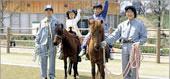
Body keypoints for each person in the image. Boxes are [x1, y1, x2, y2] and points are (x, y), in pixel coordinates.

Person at [101, 4, 147, 79]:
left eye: (131, 12)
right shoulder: (122, 25)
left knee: (134, 70)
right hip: (124, 47)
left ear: (134, 13)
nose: (129, 13)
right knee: (125, 69)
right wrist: (105, 41)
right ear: (126, 13)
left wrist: (139, 43)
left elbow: (144, 37)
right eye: (128, 12)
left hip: (134, 47)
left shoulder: (140, 25)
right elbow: (114, 36)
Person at [34, 5, 60, 79]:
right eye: (47, 10)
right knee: (43, 60)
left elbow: (59, 33)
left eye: (50, 10)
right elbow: (39, 33)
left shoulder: (56, 21)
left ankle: (52, 75)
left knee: (52, 60)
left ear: (52, 11)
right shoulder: (42, 22)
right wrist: (36, 42)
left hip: (52, 43)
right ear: (45, 12)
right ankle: (44, 76)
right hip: (43, 43)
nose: (48, 11)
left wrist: (58, 43)